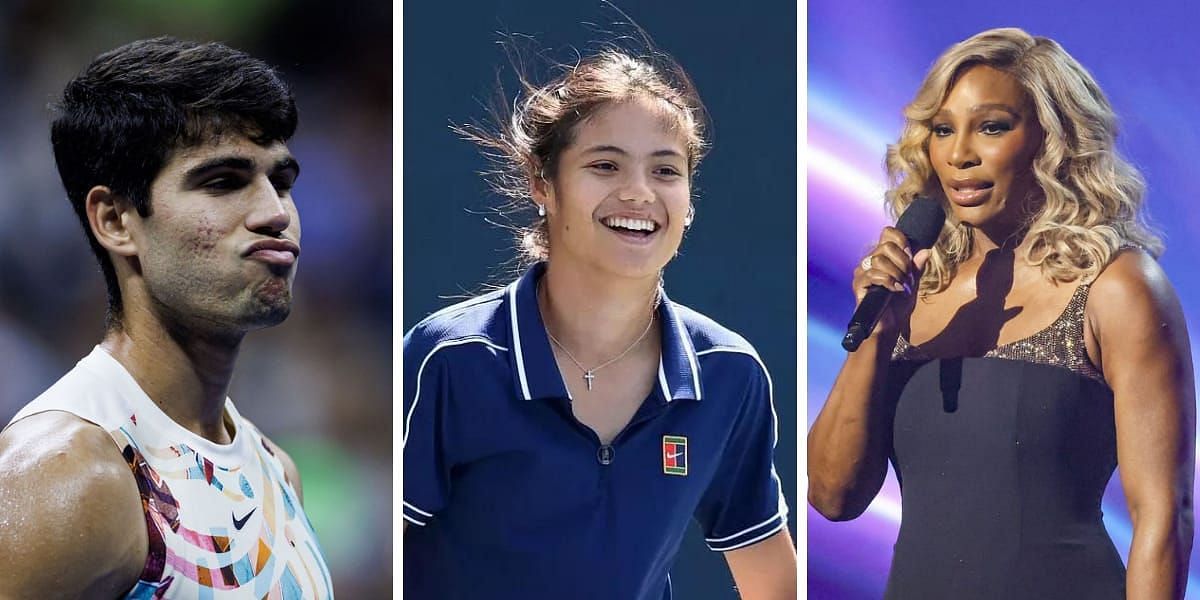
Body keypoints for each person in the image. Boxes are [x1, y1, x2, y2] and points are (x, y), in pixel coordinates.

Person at [401, 37, 797, 600]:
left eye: (666, 171)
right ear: (543, 182)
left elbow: (772, 579)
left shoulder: (731, 374)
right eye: (605, 165)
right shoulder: (450, 358)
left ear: (689, 198)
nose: (638, 193)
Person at [808, 27, 1195, 599]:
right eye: (943, 130)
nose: (960, 153)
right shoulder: (910, 292)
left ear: (1051, 140)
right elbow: (833, 495)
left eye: (991, 127)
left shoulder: (1116, 287)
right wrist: (876, 332)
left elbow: (1165, 517)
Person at [0, 38, 333, 598]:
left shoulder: (277, 470)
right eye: (224, 182)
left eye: (281, 181)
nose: (276, 214)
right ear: (115, 221)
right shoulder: (67, 476)